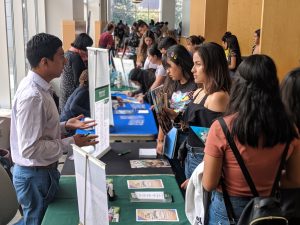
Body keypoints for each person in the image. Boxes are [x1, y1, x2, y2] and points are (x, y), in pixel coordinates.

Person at [11, 33, 98, 225]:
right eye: (60, 56)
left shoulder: (41, 88)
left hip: (41, 172)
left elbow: (40, 130)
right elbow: (30, 148)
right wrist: (72, 142)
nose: (65, 60)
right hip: (35, 176)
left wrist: (66, 125)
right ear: (44, 62)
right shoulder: (32, 96)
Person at [202, 55, 300, 224]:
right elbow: (294, 179)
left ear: (239, 85)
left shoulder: (221, 127)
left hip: (227, 212)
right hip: (267, 212)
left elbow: (209, 183)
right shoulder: (290, 129)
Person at [180, 43, 231, 189]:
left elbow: (213, 141)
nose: (192, 70)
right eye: (193, 64)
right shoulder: (199, 91)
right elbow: (192, 124)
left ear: (212, 66)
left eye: (198, 64)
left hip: (203, 158)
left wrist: (199, 175)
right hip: (190, 153)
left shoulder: (218, 97)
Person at [156, 44, 197, 185]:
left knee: (184, 180)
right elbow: (164, 116)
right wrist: (160, 140)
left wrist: (176, 116)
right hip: (171, 137)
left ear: (181, 64)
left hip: (188, 142)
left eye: (169, 66)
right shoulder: (171, 84)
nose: (167, 72)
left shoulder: (196, 86)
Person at [59, 33, 93, 112]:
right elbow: (80, 82)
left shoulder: (68, 53)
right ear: (83, 47)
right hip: (72, 99)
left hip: (65, 96)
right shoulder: (75, 57)